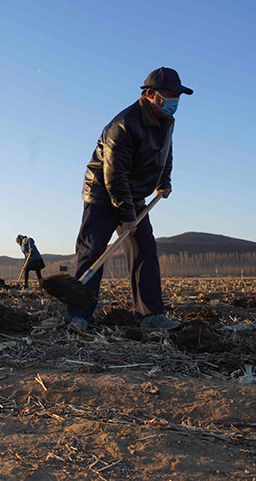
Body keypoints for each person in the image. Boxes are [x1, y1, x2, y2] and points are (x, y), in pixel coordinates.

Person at [70, 67, 193, 331]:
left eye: (178, 95)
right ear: (150, 94)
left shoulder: (165, 123)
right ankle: (78, 315)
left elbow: (165, 154)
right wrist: (126, 217)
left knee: (144, 249)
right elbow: (114, 176)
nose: (175, 101)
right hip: (102, 193)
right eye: (169, 95)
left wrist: (164, 182)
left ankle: (150, 315)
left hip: (134, 194)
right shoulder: (124, 125)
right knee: (92, 251)